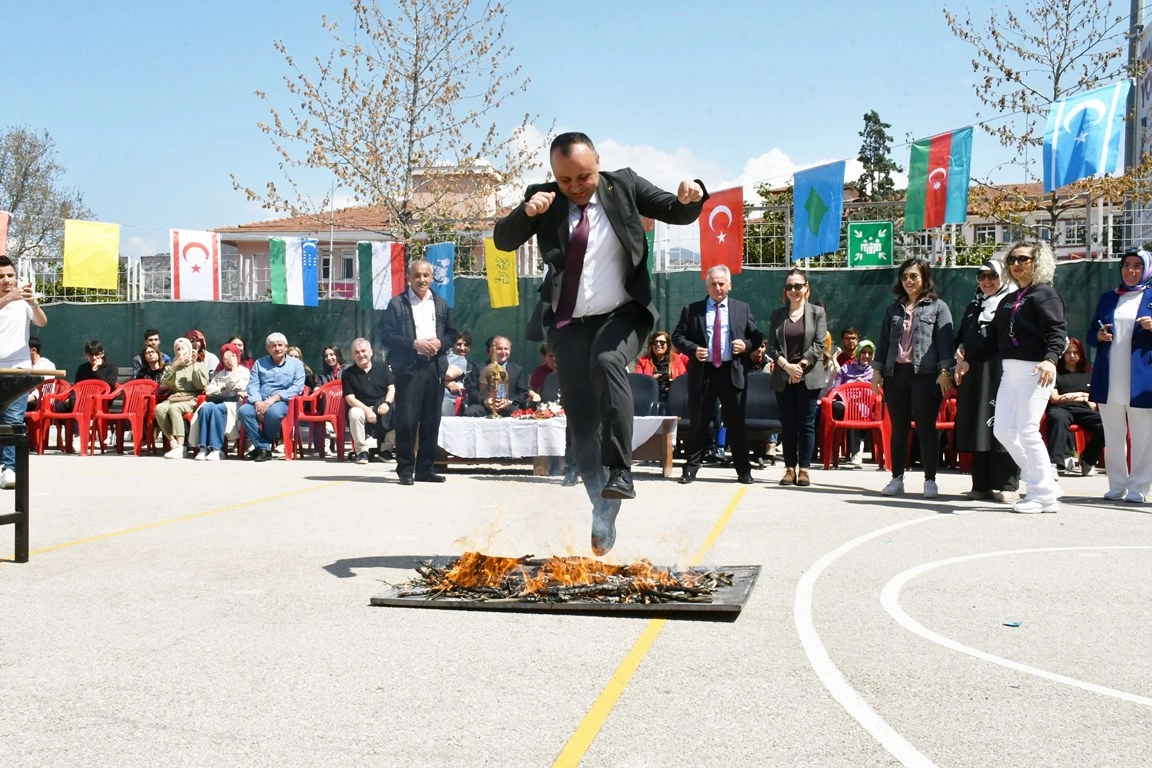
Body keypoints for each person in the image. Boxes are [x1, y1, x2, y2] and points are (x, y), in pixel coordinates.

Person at [493, 131, 707, 556]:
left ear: (598, 163)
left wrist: (692, 196)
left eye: (583, 177)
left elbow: (674, 210)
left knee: (609, 361)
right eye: (565, 179)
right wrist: (527, 211)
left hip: (623, 314)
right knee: (581, 418)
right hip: (569, 324)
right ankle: (601, 504)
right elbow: (502, 240)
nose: (575, 187)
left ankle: (620, 473)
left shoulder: (623, 184)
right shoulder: (546, 198)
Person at [958, 240, 1067, 514]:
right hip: (1010, 372)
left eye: (1023, 259)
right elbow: (993, 342)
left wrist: (1050, 360)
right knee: (1003, 430)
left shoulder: (1046, 294)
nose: (1016, 265)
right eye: (1012, 260)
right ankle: (1044, 483)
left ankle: (1043, 494)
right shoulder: (1008, 300)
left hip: (1036, 370)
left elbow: (1057, 331)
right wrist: (969, 362)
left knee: (1028, 429)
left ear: (1037, 262)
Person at [873, 257, 955, 499]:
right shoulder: (893, 309)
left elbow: (945, 342)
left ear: (924, 279)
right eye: (905, 276)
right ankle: (896, 478)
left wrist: (944, 372)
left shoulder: (938, 307)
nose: (909, 281)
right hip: (895, 375)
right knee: (898, 430)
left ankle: (930, 480)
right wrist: (877, 372)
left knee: (926, 428)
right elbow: (884, 343)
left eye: (914, 276)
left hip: (927, 376)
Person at [672, 265, 760, 485]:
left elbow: (757, 337)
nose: (718, 287)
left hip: (732, 372)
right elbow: (677, 337)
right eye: (713, 284)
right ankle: (690, 469)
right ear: (707, 285)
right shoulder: (692, 310)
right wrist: (693, 349)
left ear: (729, 285)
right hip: (704, 372)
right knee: (699, 423)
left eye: (722, 283)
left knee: (736, 423)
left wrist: (746, 344)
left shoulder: (742, 308)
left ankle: (743, 470)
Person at [381, 259, 458, 485]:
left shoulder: (441, 303)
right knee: (407, 421)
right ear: (409, 278)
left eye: (426, 276)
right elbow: (386, 336)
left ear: (432, 278)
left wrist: (440, 343)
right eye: (417, 276)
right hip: (409, 369)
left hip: (434, 368)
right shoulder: (397, 304)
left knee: (431, 420)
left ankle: (425, 469)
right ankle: (405, 470)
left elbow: (452, 334)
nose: (422, 280)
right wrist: (414, 344)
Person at [1087, 248, 1152, 503]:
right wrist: (1100, 336)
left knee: (1143, 437)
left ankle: (1139, 488)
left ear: (1146, 269)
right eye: (1127, 265)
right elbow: (1092, 334)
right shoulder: (1108, 298)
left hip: (1142, 379)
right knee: (1112, 436)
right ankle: (1116, 484)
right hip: (1110, 376)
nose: (1131, 271)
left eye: (1137, 266)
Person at [953, 259, 1020, 503]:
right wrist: (960, 348)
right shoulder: (973, 305)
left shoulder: (1011, 303)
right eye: (982, 277)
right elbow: (963, 336)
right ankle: (980, 485)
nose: (987, 282)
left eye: (992, 276)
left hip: (1001, 373)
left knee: (1001, 425)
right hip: (974, 375)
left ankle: (1008, 484)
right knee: (978, 427)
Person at [766, 268, 827, 487]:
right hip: (783, 375)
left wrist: (799, 367)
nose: (794, 290)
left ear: (806, 288)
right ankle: (789, 469)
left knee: (806, 424)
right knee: (788, 424)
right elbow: (772, 348)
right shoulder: (777, 315)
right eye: (790, 286)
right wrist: (787, 367)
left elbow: (819, 345)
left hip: (808, 375)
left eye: (798, 286)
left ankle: (804, 470)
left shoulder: (817, 313)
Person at [0, 256, 47, 489]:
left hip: (18, 369)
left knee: (12, 419)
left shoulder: (23, 302)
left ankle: (10, 468)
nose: (6, 280)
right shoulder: (8, 298)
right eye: (1, 277)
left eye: (10, 275)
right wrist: (6, 299)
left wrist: (34, 303)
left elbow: (42, 322)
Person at [237, 332, 306, 462]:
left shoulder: (296, 365)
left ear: (286, 347)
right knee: (244, 411)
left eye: (280, 345)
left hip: (282, 401)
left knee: (273, 413)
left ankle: (261, 447)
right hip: (260, 399)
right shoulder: (259, 363)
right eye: (273, 346)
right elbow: (252, 385)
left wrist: (274, 399)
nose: (277, 348)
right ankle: (264, 447)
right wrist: (257, 401)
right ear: (268, 348)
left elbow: (297, 387)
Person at [1045, 338, 1104, 476]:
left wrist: (1079, 397)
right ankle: (1056, 464)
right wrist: (1082, 395)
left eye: (1075, 352)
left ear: (1081, 354)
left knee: (1106, 424)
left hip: (1084, 410)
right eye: (1068, 353)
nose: (1072, 356)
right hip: (1061, 409)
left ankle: (1088, 460)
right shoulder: (1055, 373)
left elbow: (1094, 402)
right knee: (1057, 419)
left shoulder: (1089, 374)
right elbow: (1056, 398)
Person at [189, 342, 250, 461]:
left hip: (233, 404)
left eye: (231, 356)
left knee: (218, 409)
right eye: (225, 357)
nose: (228, 360)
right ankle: (203, 447)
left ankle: (217, 448)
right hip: (218, 400)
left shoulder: (244, 372)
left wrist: (234, 369)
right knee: (205, 408)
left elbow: (239, 386)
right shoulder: (219, 374)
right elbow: (210, 390)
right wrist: (224, 389)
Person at [153, 337, 208, 459]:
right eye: (178, 349)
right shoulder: (174, 366)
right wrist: (175, 365)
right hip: (175, 396)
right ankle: (172, 441)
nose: (180, 351)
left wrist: (194, 364)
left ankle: (180, 445)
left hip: (191, 398)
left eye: (183, 348)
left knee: (174, 408)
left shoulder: (199, 365)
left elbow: (201, 385)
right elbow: (165, 382)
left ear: (189, 350)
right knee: (159, 408)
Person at [343, 338, 396, 465]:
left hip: (382, 406)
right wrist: (367, 411)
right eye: (357, 352)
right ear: (353, 355)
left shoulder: (383, 367)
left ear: (371, 352)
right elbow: (350, 398)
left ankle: (385, 450)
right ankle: (361, 452)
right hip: (362, 408)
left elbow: (392, 388)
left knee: (398, 411)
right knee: (354, 413)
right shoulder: (348, 374)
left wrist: (387, 403)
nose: (361, 355)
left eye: (363, 351)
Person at [829, 338, 876, 467]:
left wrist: (865, 385)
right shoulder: (845, 369)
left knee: (855, 410)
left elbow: (878, 392)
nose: (866, 356)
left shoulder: (874, 372)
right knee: (836, 407)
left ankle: (856, 451)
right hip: (845, 402)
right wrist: (849, 385)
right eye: (864, 352)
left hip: (864, 405)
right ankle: (833, 451)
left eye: (869, 353)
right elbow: (836, 390)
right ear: (859, 352)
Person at [464, 335, 529, 417]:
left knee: (516, 412)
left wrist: (509, 401)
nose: (503, 352)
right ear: (491, 350)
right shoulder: (479, 368)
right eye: (499, 349)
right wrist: (485, 401)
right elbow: (471, 389)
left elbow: (523, 393)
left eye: (506, 349)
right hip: (484, 407)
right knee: (470, 412)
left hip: (507, 407)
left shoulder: (517, 370)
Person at [634, 330, 686, 405]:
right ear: (651, 345)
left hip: (672, 399)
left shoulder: (676, 359)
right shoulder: (643, 361)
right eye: (655, 342)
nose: (658, 344)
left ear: (667, 345)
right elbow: (638, 383)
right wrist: (651, 380)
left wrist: (673, 386)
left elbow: (682, 380)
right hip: (650, 400)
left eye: (662, 342)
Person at [442, 333, 479, 417]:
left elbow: (449, 375)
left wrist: (444, 380)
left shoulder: (461, 360)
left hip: (447, 400)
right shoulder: (441, 357)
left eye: (466, 345)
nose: (462, 348)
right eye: (459, 344)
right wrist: (446, 382)